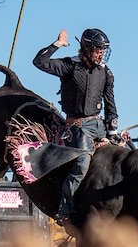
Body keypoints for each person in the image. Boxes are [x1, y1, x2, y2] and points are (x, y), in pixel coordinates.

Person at [33, 28, 120, 225]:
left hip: (100, 125)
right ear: (87, 49)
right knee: (82, 164)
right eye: (98, 51)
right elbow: (39, 62)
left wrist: (113, 130)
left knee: (126, 153)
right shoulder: (69, 66)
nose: (101, 55)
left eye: (103, 51)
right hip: (77, 128)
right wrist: (57, 44)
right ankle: (65, 210)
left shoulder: (106, 73)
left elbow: (111, 103)